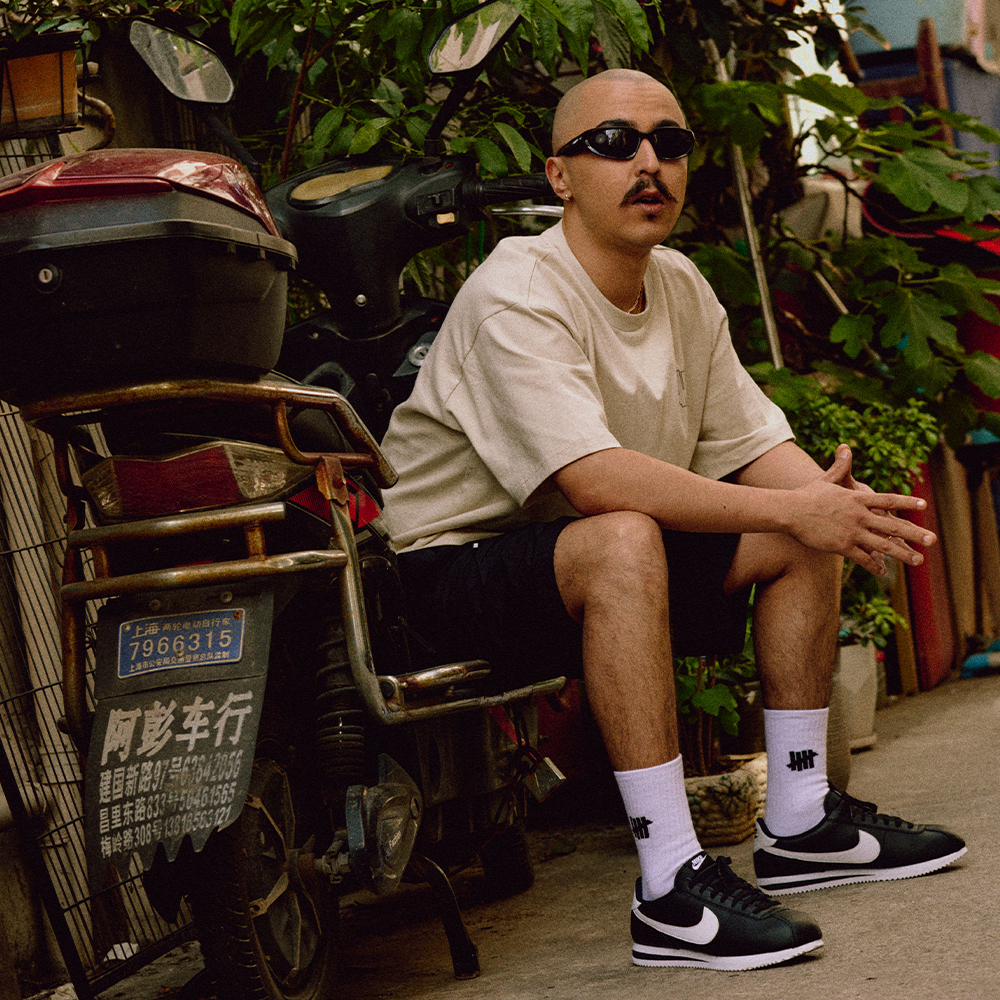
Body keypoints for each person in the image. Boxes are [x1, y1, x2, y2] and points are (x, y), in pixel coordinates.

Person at [380, 68, 966, 971]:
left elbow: (755, 445)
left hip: (596, 559)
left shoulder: (681, 285)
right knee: (627, 532)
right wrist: (799, 506)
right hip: (449, 576)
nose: (648, 163)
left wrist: (837, 510)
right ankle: (668, 885)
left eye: (671, 143)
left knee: (797, 525)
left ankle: (802, 820)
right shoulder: (518, 291)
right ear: (559, 175)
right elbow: (593, 480)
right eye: (615, 143)